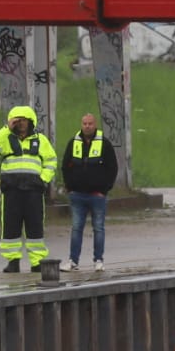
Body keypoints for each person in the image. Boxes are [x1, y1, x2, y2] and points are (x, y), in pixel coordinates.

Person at [0, 104, 55, 272]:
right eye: (18, 121)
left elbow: (51, 161)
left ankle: (37, 261)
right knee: (10, 226)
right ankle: (13, 261)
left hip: (33, 191)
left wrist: (43, 179)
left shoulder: (41, 140)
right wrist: (6, 129)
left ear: (30, 122)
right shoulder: (6, 138)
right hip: (12, 190)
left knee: (35, 225)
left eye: (24, 120)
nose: (21, 124)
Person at [62, 112, 117, 273]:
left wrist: (104, 190)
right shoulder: (73, 143)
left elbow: (112, 168)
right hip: (77, 194)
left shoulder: (104, 144)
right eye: (84, 123)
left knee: (98, 228)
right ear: (81, 124)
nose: (87, 126)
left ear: (95, 125)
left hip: (97, 195)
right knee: (76, 228)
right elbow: (65, 166)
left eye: (90, 123)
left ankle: (98, 260)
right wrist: (69, 187)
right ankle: (73, 261)